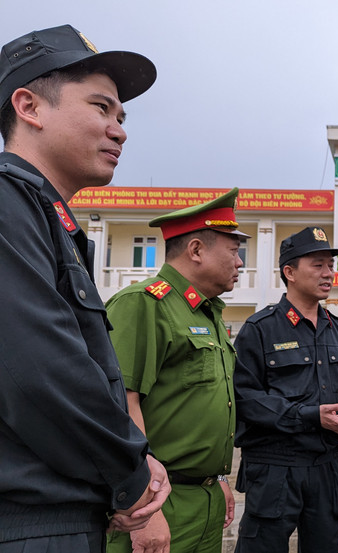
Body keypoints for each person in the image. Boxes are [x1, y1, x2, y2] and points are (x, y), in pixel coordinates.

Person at [0, 24, 170, 551]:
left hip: (63, 514)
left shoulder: (48, 217)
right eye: (101, 108)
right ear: (29, 106)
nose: (119, 130)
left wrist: (123, 470)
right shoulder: (8, 206)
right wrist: (130, 474)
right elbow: (38, 372)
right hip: (30, 525)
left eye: (121, 117)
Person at [105, 189, 248, 553]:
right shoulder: (143, 304)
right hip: (158, 500)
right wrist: (143, 506)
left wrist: (215, 478)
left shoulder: (208, 313)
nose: (241, 262)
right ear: (196, 250)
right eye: (234, 251)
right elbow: (119, 404)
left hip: (204, 497)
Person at [233, 226, 338, 553]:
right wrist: (309, 416)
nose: (328, 273)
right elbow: (247, 399)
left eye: (331, 266)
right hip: (275, 467)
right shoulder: (260, 329)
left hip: (328, 465)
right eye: (318, 265)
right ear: (289, 272)